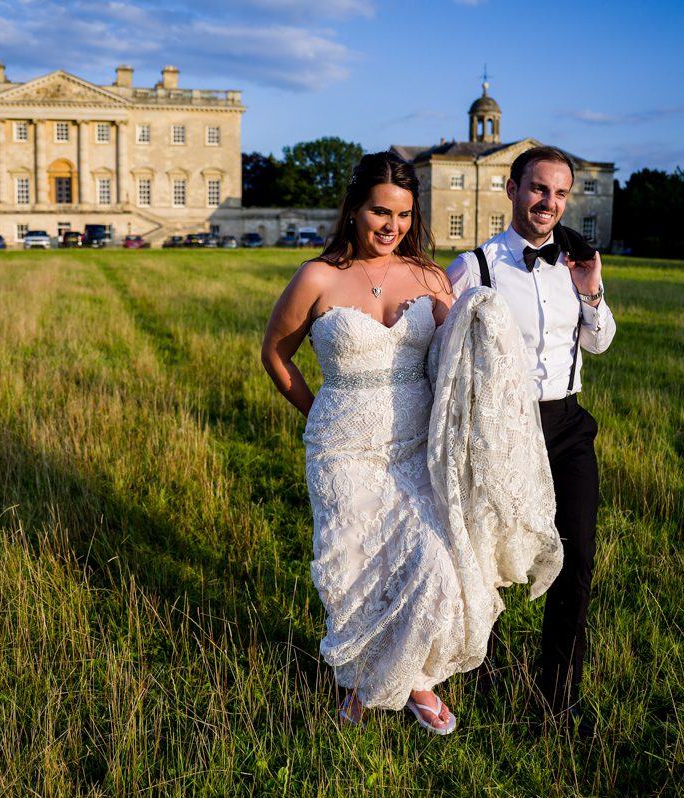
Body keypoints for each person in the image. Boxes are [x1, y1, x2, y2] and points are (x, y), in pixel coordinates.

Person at [260, 151, 463, 733]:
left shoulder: (429, 277)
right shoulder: (317, 277)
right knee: (352, 567)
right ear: (354, 209)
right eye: (380, 211)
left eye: (402, 214)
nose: (391, 225)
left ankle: (415, 677)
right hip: (341, 449)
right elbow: (276, 354)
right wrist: (317, 411)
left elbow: (459, 359)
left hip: (413, 447)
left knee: (433, 564)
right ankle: (357, 681)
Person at [446, 146, 616, 737]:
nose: (549, 203)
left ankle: (558, 697)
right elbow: (443, 354)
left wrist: (591, 290)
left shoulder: (577, 262)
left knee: (578, 557)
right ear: (513, 189)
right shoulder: (475, 267)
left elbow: (598, 343)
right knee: (491, 557)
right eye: (539, 189)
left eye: (561, 194)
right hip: (502, 429)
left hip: (567, 425)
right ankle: (479, 664)